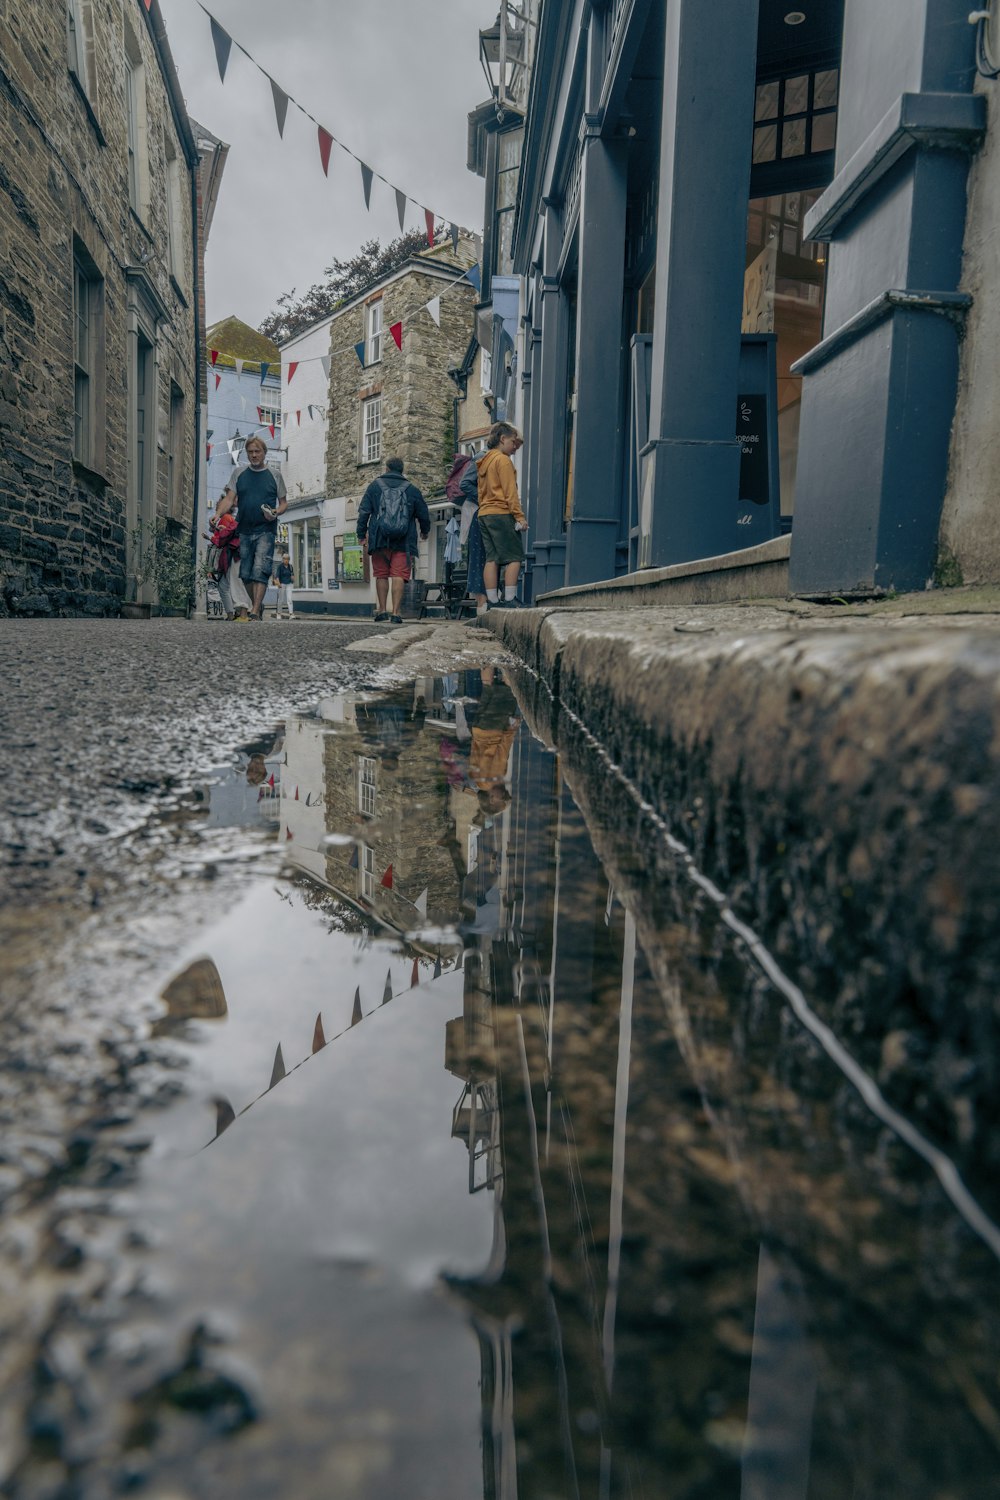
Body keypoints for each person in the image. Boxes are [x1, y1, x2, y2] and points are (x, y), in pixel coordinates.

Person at [215, 435, 288, 621]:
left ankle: (255, 611)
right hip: (244, 529)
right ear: (247, 454)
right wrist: (217, 515)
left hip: (266, 528)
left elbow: (283, 503)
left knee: (260, 569)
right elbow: (230, 499)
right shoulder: (239, 473)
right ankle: (258, 602)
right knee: (245, 574)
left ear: (264, 453)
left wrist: (275, 512)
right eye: (250, 452)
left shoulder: (275, 475)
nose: (254, 455)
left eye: (257, 451)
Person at [357, 456, 430, 624]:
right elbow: (424, 514)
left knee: (381, 574)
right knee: (399, 575)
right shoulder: (412, 489)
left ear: (387, 469)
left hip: (379, 539)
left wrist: (361, 534)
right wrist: (425, 532)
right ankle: (396, 612)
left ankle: (382, 610)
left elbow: (364, 512)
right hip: (404, 541)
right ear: (401, 470)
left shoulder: (375, 487)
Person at [477, 422, 527, 608]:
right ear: (502, 438)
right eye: (513, 442)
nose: (515, 446)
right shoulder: (503, 460)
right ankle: (510, 599)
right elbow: (510, 492)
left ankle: (492, 601)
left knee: (492, 558)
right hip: (501, 512)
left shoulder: (485, 460)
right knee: (514, 557)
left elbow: (480, 491)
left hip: (484, 513)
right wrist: (519, 517)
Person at [272, 552, 294, 620]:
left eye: (287, 559)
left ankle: (291, 614)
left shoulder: (290, 566)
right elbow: (277, 576)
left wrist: (293, 578)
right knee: (280, 599)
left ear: (289, 559)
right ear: (283, 559)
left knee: (289, 599)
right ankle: (279, 613)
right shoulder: (280, 566)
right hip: (282, 584)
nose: (286, 560)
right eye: (285, 559)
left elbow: (292, 575)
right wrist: (278, 583)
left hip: (289, 584)